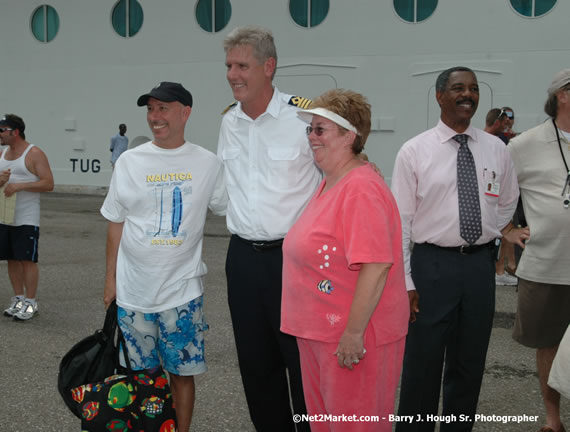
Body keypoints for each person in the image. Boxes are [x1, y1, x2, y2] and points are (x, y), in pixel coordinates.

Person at [391, 66, 525, 431]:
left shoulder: (496, 149)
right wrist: (405, 281)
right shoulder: (414, 151)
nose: (467, 94)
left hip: (478, 268)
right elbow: (401, 224)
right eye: (458, 88)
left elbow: (506, 201)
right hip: (431, 267)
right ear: (439, 96)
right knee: (423, 365)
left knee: (468, 366)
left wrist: (493, 233)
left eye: (474, 88)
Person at [102, 82, 227, 432]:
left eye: (163, 109)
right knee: (141, 379)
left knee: (182, 376)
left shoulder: (207, 163)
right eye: (151, 109)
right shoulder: (129, 162)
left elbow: (231, 206)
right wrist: (110, 280)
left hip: (182, 294)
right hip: (134, 294)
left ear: (185, 113)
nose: (155, 117)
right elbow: (116, 223)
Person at [281, 89, 408, 432]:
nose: (311, 136)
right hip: (319, 333)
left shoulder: (360, 188)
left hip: (349, 339)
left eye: (320, 129)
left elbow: (377, 265)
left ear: (348, 135)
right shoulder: (333, 182)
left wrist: (353, 333)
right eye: (310, 129)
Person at [217, 25, 317, 431]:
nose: (232, 74)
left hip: (294, 260)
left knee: (304, 364)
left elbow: (339, 175)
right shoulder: (230, 122)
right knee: (256, 366)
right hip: (242, 259)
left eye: (242, 65)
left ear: (269, 67)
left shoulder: (305, 116)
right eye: (228, 66)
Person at [508, 68, 570, 432]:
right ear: (562, 95)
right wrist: (507, 230)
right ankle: (552, 419)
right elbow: (497, 194)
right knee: (547, 344)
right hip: (547, 264)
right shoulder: (524, 145)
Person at [0, 114, 54, 321]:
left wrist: (19, 185)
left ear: (14, 132)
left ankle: (31, 303)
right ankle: (18, 298)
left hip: (27, 218)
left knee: (27, 261)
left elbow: (48, 183)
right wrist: (1, 181)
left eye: (1, 130)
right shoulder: (0, 155)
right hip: (6, 218)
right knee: (11, 259)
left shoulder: (34, 154)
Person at [484, 108, 519, 285]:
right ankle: (498, 271)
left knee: (502, 235)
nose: (507, 126)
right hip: (495, 196)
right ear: (497, 123)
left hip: (493, 194)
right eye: (504, 123)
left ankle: (502, 268)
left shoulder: (486, 139)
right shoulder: (498, 142)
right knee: (503, 233)